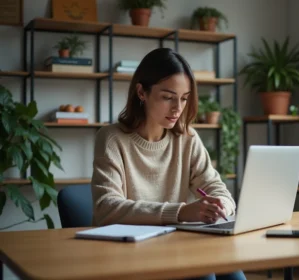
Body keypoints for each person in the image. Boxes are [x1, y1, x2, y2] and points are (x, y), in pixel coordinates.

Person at [91, 48, 246, 280]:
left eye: (184, 99)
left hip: (177, 247)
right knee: (204, 274)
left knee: (230, 269)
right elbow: (107, 208)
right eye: (167, 97)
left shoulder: (187, 138)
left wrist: (220, 205)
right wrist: (182, 212)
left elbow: (217, 188)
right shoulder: (112, 138)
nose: (178, 109)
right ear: (141, 92)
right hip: (130, 255)